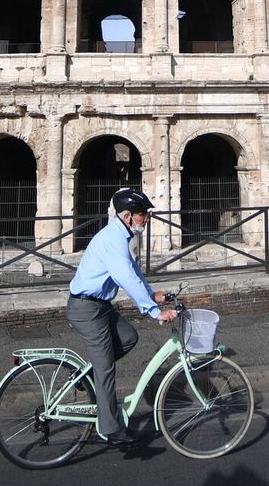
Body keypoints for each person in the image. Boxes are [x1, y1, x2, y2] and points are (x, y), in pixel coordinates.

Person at [66, 188, 178, 447]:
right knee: (105, 368)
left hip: (99, 306)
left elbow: (132, 271)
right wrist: (153, 312)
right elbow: (125, 278)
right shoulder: (113, 240)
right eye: (143, 215)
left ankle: (85, 377)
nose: (146, 219)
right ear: (128, 217)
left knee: (128, 337)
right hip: (86, 309)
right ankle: (110, 429)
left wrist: (152, 294)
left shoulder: (120, 236)